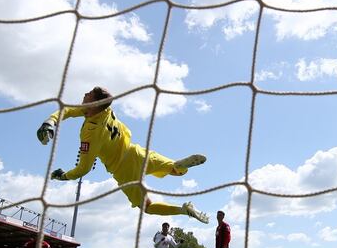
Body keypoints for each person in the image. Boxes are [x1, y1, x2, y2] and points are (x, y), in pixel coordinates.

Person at [38, 86, 209, 223]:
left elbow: (84, 168)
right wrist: (51, 121)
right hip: (136, 153)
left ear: (94, 104)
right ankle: (179, 167)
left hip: (123, 170)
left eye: (89, 94)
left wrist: (64, 176)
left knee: (147, 207)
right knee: (173, 169)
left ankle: (182, 210)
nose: (84, 94)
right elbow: (68, 110)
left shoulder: (90, 133)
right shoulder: (104, 109)